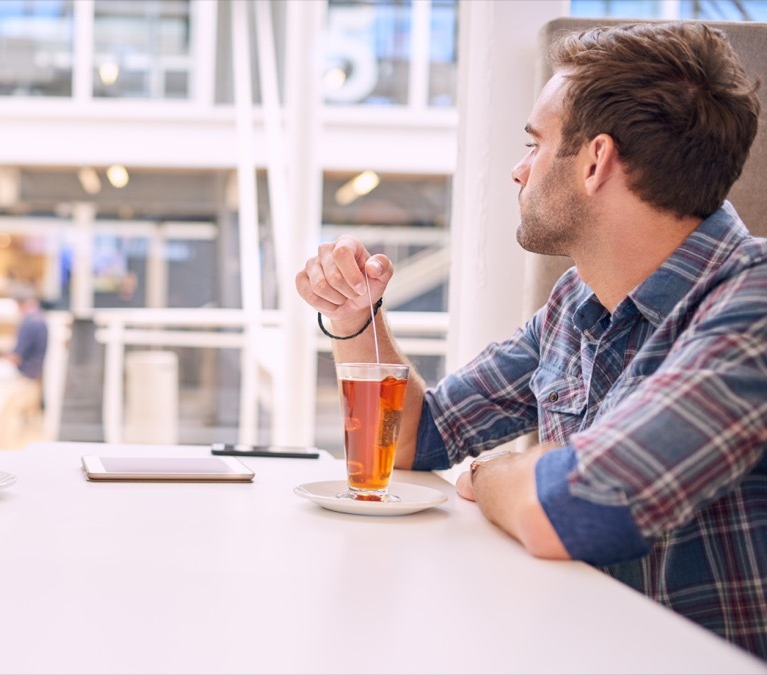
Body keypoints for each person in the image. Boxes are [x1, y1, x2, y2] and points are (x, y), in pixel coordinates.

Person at [296, 22, 765, 658]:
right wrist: (358, 316)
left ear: (596, 161)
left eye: (535, 144)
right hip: (574, 644)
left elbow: (581, 505)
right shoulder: (577, 302)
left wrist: (493, 473)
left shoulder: (753, 301)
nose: (518, 171)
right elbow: (412, 438)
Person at [3, 283, 48, 382]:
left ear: (19, 304)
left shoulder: (29, 322)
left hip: (24, 372)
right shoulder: (40, 318)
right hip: (33, 372)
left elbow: (16, 358)